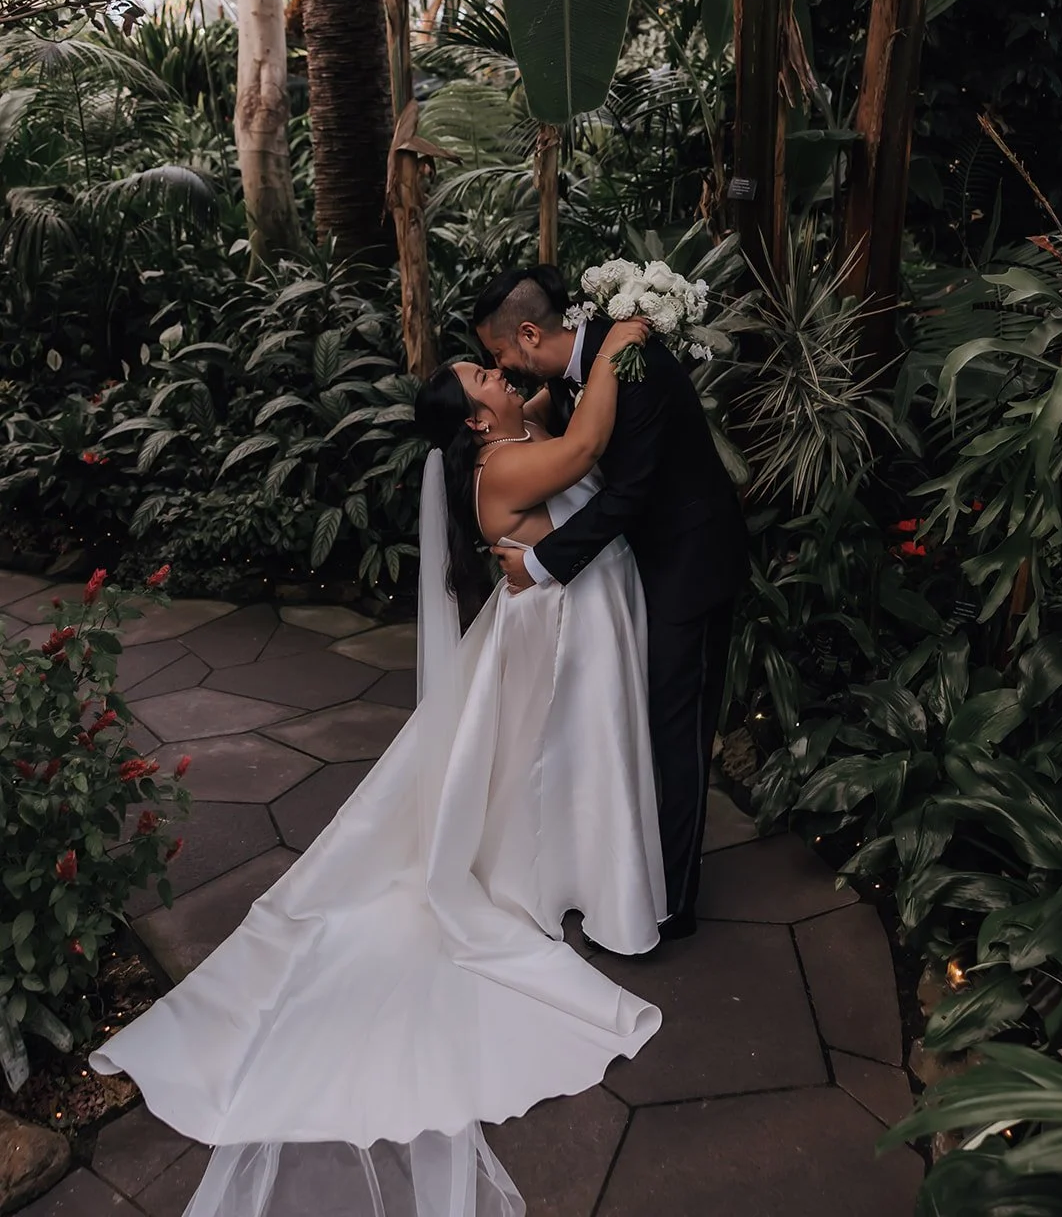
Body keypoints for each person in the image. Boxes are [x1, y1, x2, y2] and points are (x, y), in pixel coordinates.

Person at [90, 315, 666, 1217]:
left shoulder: (512, 431)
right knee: (553, 767)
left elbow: (554, 393)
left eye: (491, 369)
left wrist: (581, 336)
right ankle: (567, 879)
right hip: (554, 637)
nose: (500, 377)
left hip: (565, 616)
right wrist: (627, 325)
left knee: (529, 769)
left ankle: (570, 872)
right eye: (485, 379)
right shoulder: (508, 464)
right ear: (476, 424)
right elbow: (588, 434)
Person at [474, 264, 749, 940]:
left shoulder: (631, 363)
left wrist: (539, 563)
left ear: (531, 333)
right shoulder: (581, 367)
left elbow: (625, 495)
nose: (501, 368)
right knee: (649, 724)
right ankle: (636, 872)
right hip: (648, 566)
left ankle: (674, 904)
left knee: (677, 736)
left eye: (499, 353)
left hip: (691, 566)